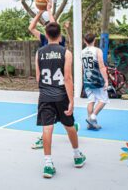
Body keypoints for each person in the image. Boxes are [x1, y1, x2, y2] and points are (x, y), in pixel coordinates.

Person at [36, 22, 86, 178]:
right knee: (70, 126)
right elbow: (68, 78)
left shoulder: (39, 53)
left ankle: (48, 164)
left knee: (47, 128)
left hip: (45, 95)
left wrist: (46, 90)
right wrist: (71, 100)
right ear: (60, 34)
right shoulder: (66, 52)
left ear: (46, 33)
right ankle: (77, 156)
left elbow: (38, 78)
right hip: (61, 96)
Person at [29, 0, 76, 149]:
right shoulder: (46, 41)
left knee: (49, 123)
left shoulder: (57, 44)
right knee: (59, 120)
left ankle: (47, 144)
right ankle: (72, 146)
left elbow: (53, 26)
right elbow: (32, 27)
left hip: (49, 87)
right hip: (57, 89)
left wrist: (47, 11)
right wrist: (42, 11)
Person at [82, 33, 109, 130]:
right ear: (94, 40)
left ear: (85, 41)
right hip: (97, 79)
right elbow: (101, 66)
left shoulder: (82, 51)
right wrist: (106, 80)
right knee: (103, 99)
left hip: (87, 79)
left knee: (91, 100)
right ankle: (92, 117)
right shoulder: (97, 50)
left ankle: (90, 124)